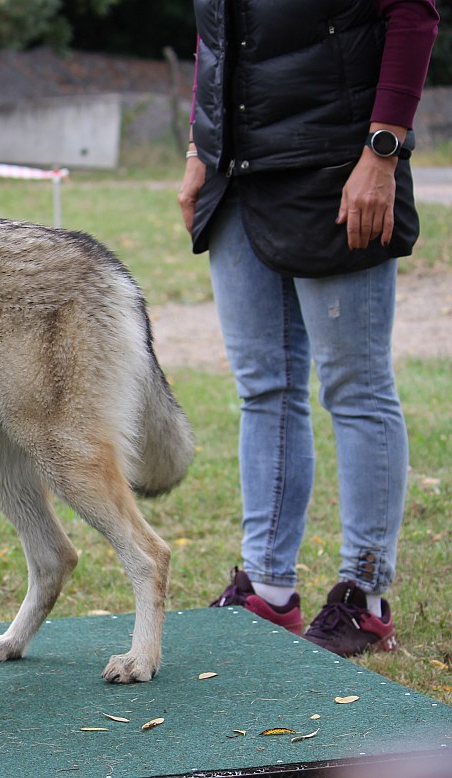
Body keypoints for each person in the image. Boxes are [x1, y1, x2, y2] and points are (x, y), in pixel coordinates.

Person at [178, 0, 439, 657]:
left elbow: (413, 13)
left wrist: (383, 150)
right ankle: (268, 589)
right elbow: (215, 36)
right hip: (237, 176)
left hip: (338, 170)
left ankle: (366, 598)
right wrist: (199, 148)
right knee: (263, 388)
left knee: (355, 388)